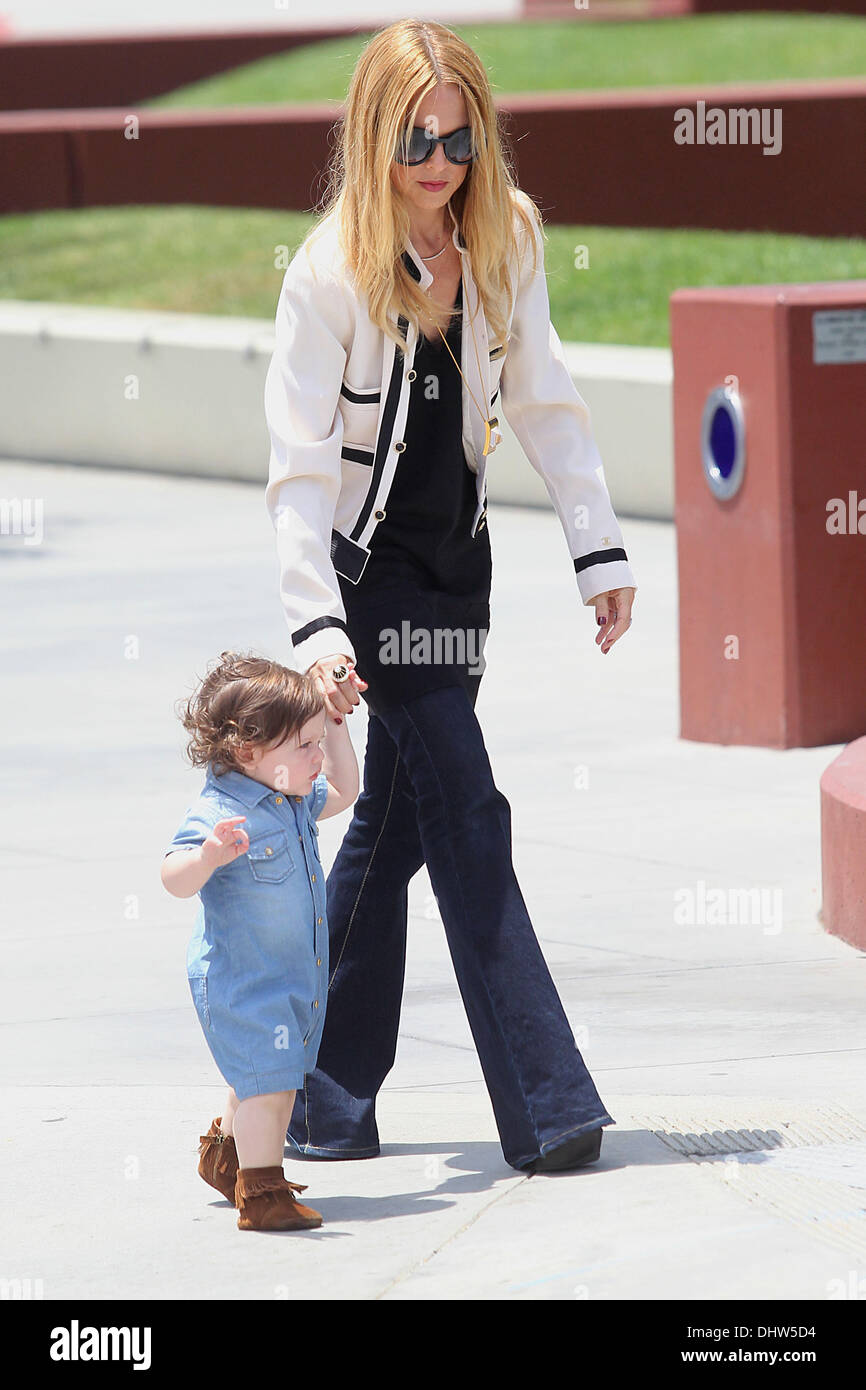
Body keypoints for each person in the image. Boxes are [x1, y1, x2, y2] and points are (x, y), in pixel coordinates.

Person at [263, 20, 637, 1173]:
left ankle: (324, 1097)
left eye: (457, 137)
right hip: (368, 587)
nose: (437, 160)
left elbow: (547, 400)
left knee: (394, 826)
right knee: (468, 806)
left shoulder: (503, 237)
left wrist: (599, 551)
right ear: (375, 135)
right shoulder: (327, 272)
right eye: (415, 138)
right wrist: (317, 629)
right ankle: (548, 1098)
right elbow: (297, 472)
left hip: (457, 577)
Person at [160, 650, 360, 1229]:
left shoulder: (293, 799)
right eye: (305, 746)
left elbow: (347, 791)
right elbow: (172, 877)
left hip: (289, 974)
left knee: (263, 1081)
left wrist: (337, 726)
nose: (317, 756)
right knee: (269, 1088)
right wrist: (207, 856)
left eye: (317, 740)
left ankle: (227, 1158)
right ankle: (263, 1195)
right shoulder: (221, 810)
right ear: (249, 752)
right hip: (242, 978)